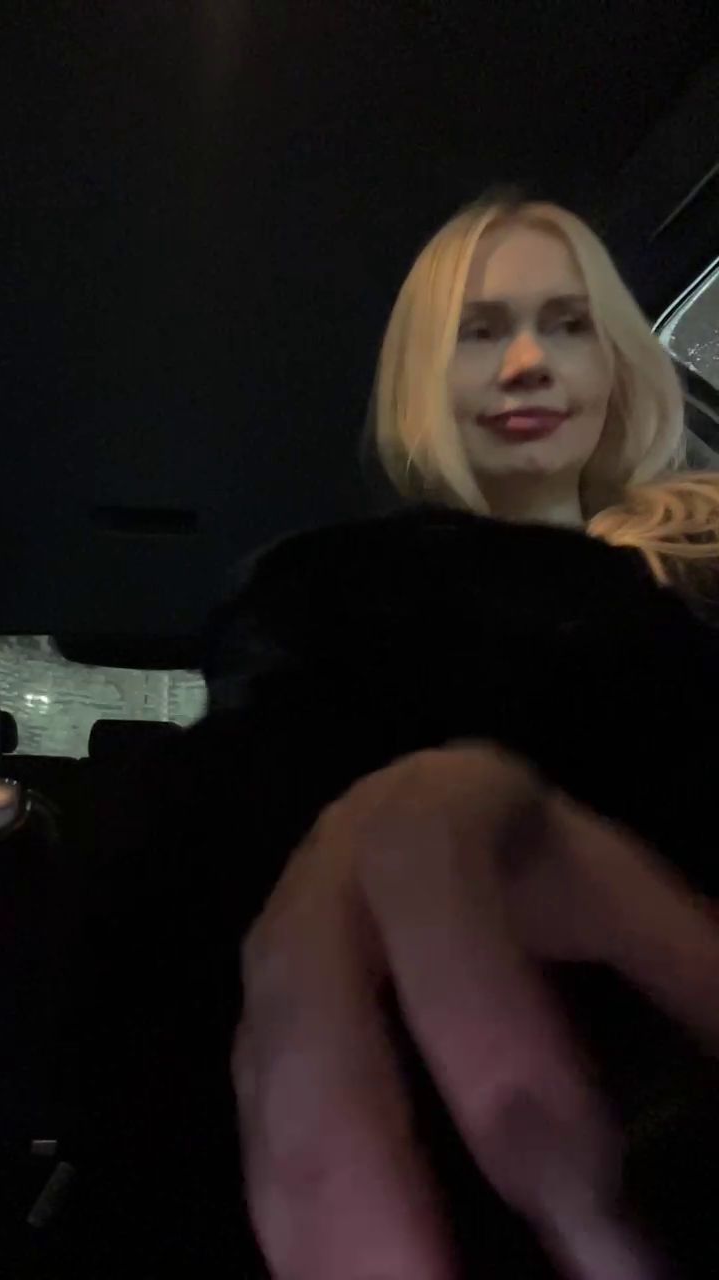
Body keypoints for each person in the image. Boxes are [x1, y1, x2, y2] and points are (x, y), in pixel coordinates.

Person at [61, 197, 719, 1280]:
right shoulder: (330, 620)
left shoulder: (693, 600)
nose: (525, 363)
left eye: (567, 324)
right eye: (478, 330)